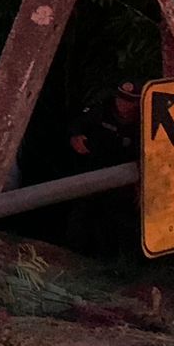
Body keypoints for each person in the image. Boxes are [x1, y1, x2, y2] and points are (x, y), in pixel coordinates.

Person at [65, 81, 142, 257]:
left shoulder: (144, 122)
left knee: (116, 224)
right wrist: (75, 138)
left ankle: (113, 263)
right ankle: (73, 254)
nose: (123, 104)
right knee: (82, 216)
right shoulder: (101, 111)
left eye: (129, 101)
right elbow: (76, 126)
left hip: (123, 184)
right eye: (121, 99)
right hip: (92, 172)